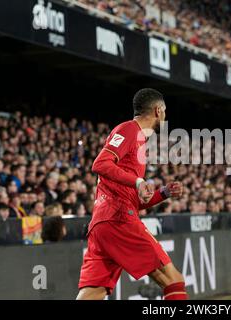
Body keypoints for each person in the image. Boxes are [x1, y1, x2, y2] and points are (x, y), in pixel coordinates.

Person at [77, 88, 187, 300]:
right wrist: (137, 181)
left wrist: (162, 193)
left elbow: (133, 201)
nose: (165, 116)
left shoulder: (138, 140)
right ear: (158, 110)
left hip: (103, 223)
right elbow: (100, 163)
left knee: (92, 293)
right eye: (165, 111)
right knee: (174, 281)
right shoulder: (129, 129)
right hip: (118, 219)